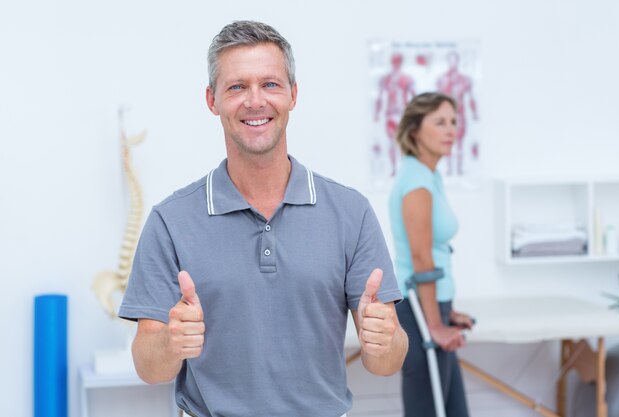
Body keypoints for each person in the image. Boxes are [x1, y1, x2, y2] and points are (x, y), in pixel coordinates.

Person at [118, 20, 408, 417]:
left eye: (270, 84)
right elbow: (148, 367)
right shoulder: (170, 221)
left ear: (293, 94)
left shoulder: (351, 212)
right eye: (237, 87)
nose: (255, 101)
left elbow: (385, 363)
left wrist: (385, 340)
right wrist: (170, 343)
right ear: (212, 100)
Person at [388, 92, 473, 416]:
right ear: (414, 131)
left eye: (453, 121)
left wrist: (445, 311)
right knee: (430, 409)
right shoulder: (415, 181)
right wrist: (435, 324)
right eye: (439, 122)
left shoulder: (429, 176)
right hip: (421, 313)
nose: (450, 129)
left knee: (453, 410)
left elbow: (435, 252)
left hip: (433, 306)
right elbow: (422, 258)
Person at [436, 51, 479, 176]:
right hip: (446, 116)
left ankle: (459, 169)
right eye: (450, 60)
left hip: (460, 114)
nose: (453, 63)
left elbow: (471, 98)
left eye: (455, 60)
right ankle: (449, 168)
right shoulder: (442, 80)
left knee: (460, 143)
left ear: (458, 61)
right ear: (448, 62)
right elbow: (437, 99)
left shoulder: (465, 80)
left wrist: (474, 112)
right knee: (447, 141)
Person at [374, 52, 416, 176]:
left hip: (402, 113)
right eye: (394, 61)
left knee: (403, 142)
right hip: (391, 114)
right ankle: (394, 169)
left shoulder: (406, 79)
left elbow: (413, 96)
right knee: (392, 142)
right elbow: (380, 98)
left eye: (398, 61)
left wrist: (416, 112)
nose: (396, 64)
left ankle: (402, 169)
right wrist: (376, 113)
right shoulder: (386, 79)